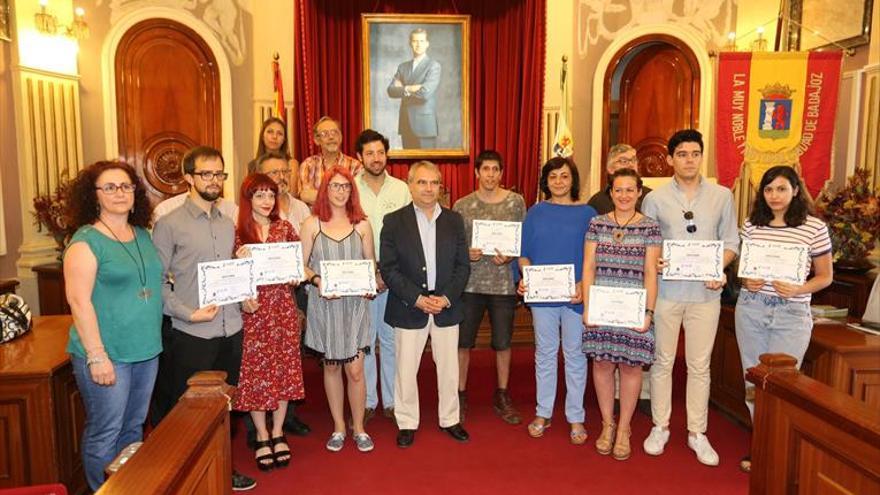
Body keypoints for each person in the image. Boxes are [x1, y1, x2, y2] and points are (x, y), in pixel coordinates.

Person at [152, 146, 257, 491]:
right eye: (206, 174)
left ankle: (223, 469)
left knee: (225, 410)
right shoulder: (168, 225)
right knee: (188, 415)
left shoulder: (227, 224)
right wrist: (188, 314)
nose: (214, 180)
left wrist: (245, 297)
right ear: (188, 178)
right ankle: (187, 478)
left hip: (231, 329)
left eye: (220, 174)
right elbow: (156, 285)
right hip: (192, 333)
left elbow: (226, 276)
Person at [640, 129, 739, 467]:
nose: (689, 159)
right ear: (670, 159)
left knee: (699, 365)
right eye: (682, 154)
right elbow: (647, 245)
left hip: (705, 294)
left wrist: (718, 268)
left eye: (695, 153)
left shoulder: (722, 196)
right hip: (667, 292)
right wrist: (658, 260)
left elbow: (731, 243)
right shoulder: (654, 198)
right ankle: (660, 426)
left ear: (701, 156)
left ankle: (697, 432)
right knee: (662, 361)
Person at [63, 161, 163, 491]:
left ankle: (127, 488)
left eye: (125, 186)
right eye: (109, 187)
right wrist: (96, 355)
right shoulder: (85, 241)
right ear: (94, 196)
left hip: (146, 350)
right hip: (108, 354)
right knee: (105, 430)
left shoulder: (141, 235)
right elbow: (79, 302)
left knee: (133, 427)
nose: (119, 193)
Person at [735, 165, 833, 472]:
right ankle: (761, 442)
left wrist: (799, 288)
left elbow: (825, 277)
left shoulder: (814, 228)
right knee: (753, 379)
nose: (774, 196)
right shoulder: (752, 225)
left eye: (781, 189)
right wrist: (745, 280)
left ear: (794, 190)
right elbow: (743, 270)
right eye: (768, 189)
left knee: (784, 383)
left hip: (791, 313)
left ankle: (780, 445)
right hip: (751, 308)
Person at [380, 161, 470, 448]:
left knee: (448, 367)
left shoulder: (454, 220)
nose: (429, 188)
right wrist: (417, 299)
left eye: (434, 183)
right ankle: (406, 422)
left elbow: (462, 266)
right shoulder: (393, 221)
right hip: (409, 305)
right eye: (422, 182)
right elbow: (389, 269)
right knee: (405, 368)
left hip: (446, 304)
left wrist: (445, 298)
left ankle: (450, 419)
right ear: (410, 185)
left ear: (440, 186)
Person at [582, 168, 661, 460]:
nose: (624, 195)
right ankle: (607, 424)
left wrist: (648, 313)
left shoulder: (650, 227)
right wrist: (589, 308)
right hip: (602, 307)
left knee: (630, 368)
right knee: (602, 364)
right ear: (610, 193)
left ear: (639, 192)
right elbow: (588, 267)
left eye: (630, 190)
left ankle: (625, 428)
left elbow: (651, 272)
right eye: (618, 190)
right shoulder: (596, 224)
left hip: (634, 309)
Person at [518, 157, 596, 445]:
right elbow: (524, 253)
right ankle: (543, 412)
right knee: (545, 354)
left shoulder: (589, 213)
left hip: (577, 295)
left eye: (565, 176)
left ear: (573, 179)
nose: (559, 182)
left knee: (575, 355)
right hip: (543, 298)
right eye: (553, 177)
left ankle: (576, 416)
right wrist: (527, 278)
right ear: (546, 181)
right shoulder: (535, 212)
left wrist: (584, 285)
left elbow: (594, 256)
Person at [232, 173, 305, 471]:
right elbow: (230, 278)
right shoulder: (237, 233)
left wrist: (294, 275)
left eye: (270, 195)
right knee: (255, 373)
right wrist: (239, 265)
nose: (266, 201)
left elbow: (297, 269)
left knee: (283, 369)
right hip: (254, 312)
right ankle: (262, 434)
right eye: (259, 195)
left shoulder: (285, 228)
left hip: (282, 310)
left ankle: (278, 432)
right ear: (248, 199)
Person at [300, 166, 376, 453]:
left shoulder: (363, 225)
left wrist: (371, 283)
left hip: (355, 305)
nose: (341, 191)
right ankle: (338, 427)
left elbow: (371, 265)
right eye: (335, 186)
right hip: (325, 305)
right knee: (331, 366)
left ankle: (359, 428)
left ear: (352, 191)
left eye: (346, 186)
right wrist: (318, 280)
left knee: (355, 370)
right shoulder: (311, 224)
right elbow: (301, 266)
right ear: (325, 190)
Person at [453, 150, 526, 425]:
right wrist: (466, 253)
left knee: (503, 342)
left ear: (501, 173)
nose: (491, 175)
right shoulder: (463, 205)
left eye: (496, 169)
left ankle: (502, 393)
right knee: (463, 342)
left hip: (504, 284)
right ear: (477, 173)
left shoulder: (515, 202)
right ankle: (460, 394)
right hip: (470, 284)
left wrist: (510, 254)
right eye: (486, 169)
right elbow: (455, 245)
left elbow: (522, 240)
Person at [354, 129, 412, 424]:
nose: (376, 158)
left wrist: (387, 273)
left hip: (393, 278)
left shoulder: (401, 189)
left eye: (380, 152)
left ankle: (391, 401)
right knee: (364, 342)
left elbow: (406, 235)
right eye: (370, 153)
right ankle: (367, 401)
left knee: (390, 340)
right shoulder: (349, 189)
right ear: (359, 157)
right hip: (360, 278)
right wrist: (369, 273)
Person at [386, 28, 441, 149]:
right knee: (410, 166)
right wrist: (410, 88)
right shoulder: (403, 67)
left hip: (425, 126)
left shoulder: (433, 66)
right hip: (406, 124)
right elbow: (390, 90)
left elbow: (425, 94)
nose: (418, 44)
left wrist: (402, 89)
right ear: (410, 43)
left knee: (426, 166)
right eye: (415, 41)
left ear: (427, 44)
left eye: (421, 41)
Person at [299, 116, 362, 205]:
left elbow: (355, 197)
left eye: (334, 132)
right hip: (316, 218)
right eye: (325, 134)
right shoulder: (308, 165)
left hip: (346, 218)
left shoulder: (355, 166)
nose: (331, 137)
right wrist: (339, 197)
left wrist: (319, 196)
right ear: (316, 140)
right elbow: (305, 196)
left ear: (341, 137)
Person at [587, 144, 652, 214]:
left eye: (633, 160)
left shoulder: (650, 197)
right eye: (623, 161)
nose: (631, 164)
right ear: (610, 168)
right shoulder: (597, 202)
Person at [248, 117, 300, 198]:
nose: (274, 136)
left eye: (279, 133)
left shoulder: (291, 163)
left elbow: (292, 196)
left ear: (284, 140)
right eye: (270, 132)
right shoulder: (252, 165)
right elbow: (247, 195)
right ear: (262, 136)